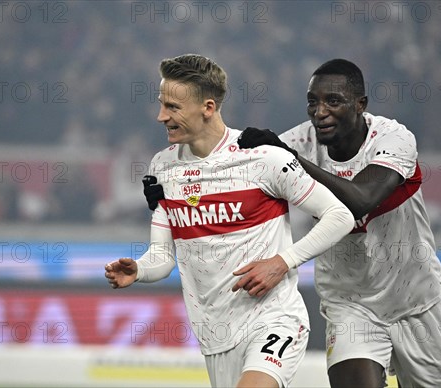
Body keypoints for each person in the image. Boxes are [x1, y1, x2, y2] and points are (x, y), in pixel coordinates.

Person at [144, 58, 441, 387]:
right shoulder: (295, 142)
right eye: (312, 102)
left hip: (417, 299)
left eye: (333, 101)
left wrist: (293, 159)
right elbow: (232, 168)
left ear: (360, 104)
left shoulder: (393, 139)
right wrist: (173, 192)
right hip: (349, 303)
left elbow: (361, 200)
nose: (320, 111)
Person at [106, 54, 355, 388]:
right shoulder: (162, 168)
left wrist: (283, 261)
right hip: (215, 335)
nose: (161, 116)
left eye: (173, 108)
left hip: (274, 319)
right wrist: (139, 270)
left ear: (208, 107)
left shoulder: (262, 157)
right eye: (161, 104)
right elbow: (163, 258)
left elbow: (340, 215)